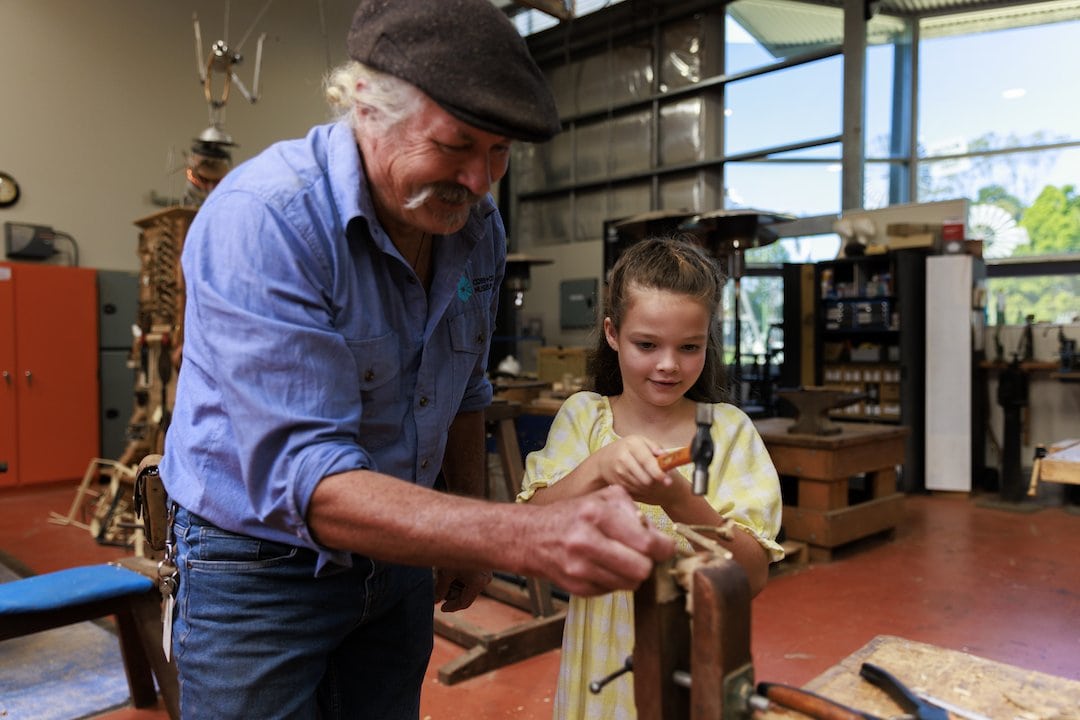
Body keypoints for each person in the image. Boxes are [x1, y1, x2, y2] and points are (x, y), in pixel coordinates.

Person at [157, 1, 675, 718]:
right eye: (457, 145)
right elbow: (306, 477)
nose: (479, 179)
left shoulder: (475, 228)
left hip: (400, 553)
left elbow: (463, 384)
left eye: (499, 153)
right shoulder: (266, 218)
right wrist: (520, 534)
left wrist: (466, 524)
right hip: (259, 566)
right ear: (366, 105)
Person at [517, 236, 784, 719]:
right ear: (612, 333)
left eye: (689, 347)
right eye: (647, 344)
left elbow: (752, 575)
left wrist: (679, 499)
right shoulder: (584, 419)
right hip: (598, 657)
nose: (668, 364)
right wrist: (597, 468)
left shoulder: (728, 433)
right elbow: (529, 534)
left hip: (694, 659)